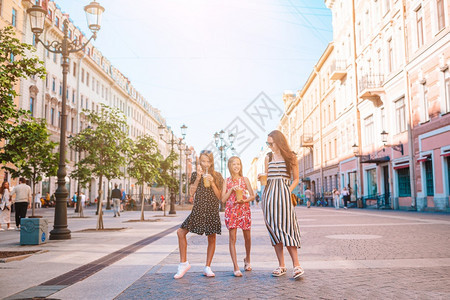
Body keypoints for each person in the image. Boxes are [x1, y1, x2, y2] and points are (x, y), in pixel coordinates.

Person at [258, 130, 304, 279]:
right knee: (274, 230)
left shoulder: (291, 156)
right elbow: (266, 177)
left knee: (288, 228)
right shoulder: (268, 157)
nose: (269, 146)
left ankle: (297, 265)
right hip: (269, 196)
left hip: (283, 195)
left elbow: (296, 178)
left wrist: (287, 191)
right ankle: (281, 265)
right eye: (267, 143)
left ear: (279, 142)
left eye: (271, 143)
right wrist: (261, 178)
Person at [174, 150, 224, 279]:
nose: (205, 164)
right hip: (198, 210)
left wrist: (212, 182)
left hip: (211, 210)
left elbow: (220, 197)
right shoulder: (196, 174)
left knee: (212, 238)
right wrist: (197, 178)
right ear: (199, 162)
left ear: (211, 162)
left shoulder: (217, 176)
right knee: (180, 232)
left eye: (208, 161)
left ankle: (208, 266)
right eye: (203, 161)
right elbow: (191, 193)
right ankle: (183, 263)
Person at [221, 156, 255, 277]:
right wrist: (231, 190)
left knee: (248, 237)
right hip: (231, 211)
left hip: (244, 210)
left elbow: (253, 195)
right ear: (230, 166)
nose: (236, 166)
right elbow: (223, 199)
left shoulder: (245, 179)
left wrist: (244, 200)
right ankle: (235, 266)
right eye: (234, 164)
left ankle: (248, 259)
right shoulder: (227, 181)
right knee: (232, 239)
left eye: (238, 164)